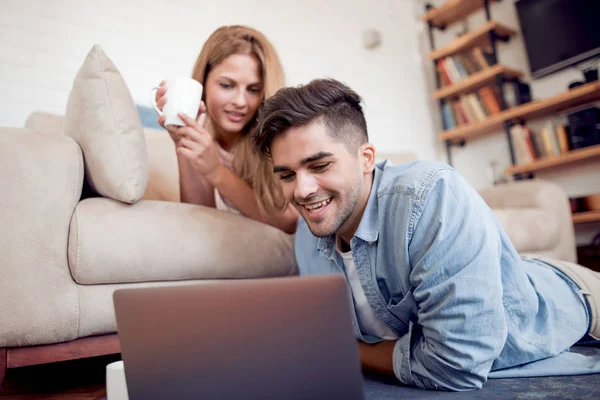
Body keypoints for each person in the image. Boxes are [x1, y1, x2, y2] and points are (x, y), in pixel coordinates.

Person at [251, 78, 600, 391]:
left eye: (320, 165)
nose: (302, 189)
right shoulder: (306, 233)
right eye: (286, 175)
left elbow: (455, 365)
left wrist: (347, 350)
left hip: (576, 296)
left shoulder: (431, 194)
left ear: (366, 158)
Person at [155, 25, 297, 233]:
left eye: (253, 90)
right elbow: (199, 217)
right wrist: (182, 141)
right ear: (203, 82)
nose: (241, 102)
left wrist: (215, 171)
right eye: (227, 85)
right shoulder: (203, 132)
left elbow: (289, 223)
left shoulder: (276, 136)